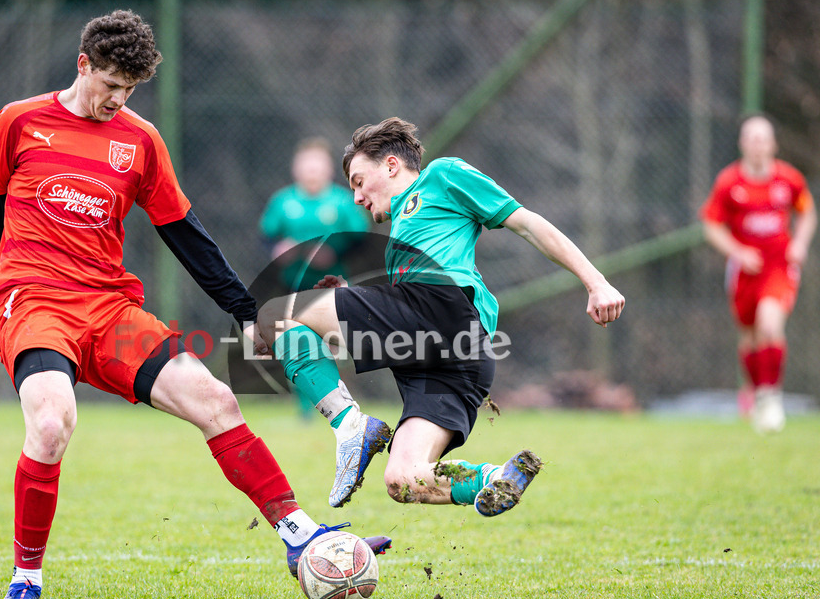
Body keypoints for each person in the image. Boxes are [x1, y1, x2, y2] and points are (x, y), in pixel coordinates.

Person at [0, 10, 389, 599]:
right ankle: (26, 579)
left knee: (216, 400)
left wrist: (244, 311)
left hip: (110, 308)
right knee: (53, 421)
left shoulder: (139, 140)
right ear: (83, 65)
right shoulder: (21, 120)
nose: (119, 99)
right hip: (32, 301)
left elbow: (185, 234)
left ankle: (300, 537)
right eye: (110, 85)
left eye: (130, 90)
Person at [256, 117, 625, 513]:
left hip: (441, 315)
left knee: (275, 314)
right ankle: (494, 478)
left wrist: (596, 281)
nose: (357, 197)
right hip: (458, 358)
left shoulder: (443, 176)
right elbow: (393, 313)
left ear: (393, 165)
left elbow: (527, 224)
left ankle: (349, 426)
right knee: (403, 479)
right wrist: (334, 315)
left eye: (359, 182)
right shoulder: (400, 235)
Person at [700, 114, 816, 433]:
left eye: (763, 138)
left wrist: (800, 244)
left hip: (779, 268)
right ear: (742, 144)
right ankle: (759, 396)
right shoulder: (729, 182)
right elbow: (711, 225)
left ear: (773, 144)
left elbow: (807, 214)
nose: (757, 144)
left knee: (769, 322)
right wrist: (737, 251)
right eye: (751, 138)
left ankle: (771, 396)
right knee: (749, 338)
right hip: (744, 272)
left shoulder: (789, 180)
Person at [259, 137, 371, 419]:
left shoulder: (342, 201)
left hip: (331, 285)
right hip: (292, 285)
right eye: (306, 163)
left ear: (328, 169)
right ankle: (305, 410)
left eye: (317, 164)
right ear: (296, 168)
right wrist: (278, 249)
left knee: (332, 346)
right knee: (297, 344)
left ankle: (339, 404)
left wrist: (334, 251)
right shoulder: (284, 201)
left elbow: (360, 238)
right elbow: (267, 236)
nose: (311, 169)